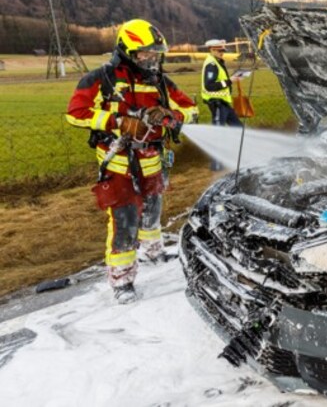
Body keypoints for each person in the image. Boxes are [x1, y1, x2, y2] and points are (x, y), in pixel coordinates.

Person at [66, 19, 198, 304]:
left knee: (153, 209)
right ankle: (122, 279)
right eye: (145, 54)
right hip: (119, 165)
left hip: (153, 159)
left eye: (154, 53)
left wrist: (170, 116)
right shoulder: (102, 78)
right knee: (124, 220)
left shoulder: (159, 81)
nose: (151, 59)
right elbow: (75, 113)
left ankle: (153, 251)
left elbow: (190, 108)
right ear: (127, 51)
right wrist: (117, 121)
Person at [202, 39, 243, 171]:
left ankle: (240, 157)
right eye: (220, 51)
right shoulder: (211, 65)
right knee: (218, 135)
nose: (222, 53)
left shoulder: (217, 63)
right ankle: (216, 165)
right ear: (212, 50)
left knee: (239, 129)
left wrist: (231, 80)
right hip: (217, 103)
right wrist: (229, 81)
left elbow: (220, 81)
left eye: (223, 50)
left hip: (225, 103)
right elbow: (209, 86)